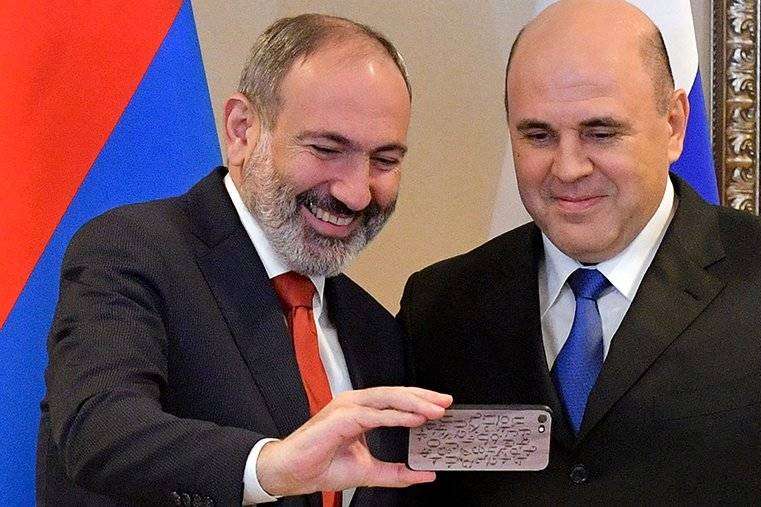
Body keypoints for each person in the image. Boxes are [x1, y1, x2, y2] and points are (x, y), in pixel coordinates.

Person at [398, 0, 761, 504]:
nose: (568, 168)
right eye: (538, 135)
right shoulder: (441, 305)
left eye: (600, 133)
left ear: (674, 125)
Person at [37, 14, 452, 506]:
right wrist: (267, 467)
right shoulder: (135, 250)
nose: (357, 193)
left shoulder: (376, 331)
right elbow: (98, 428)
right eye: (326, 149)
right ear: (242, 131)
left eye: (384, 160)